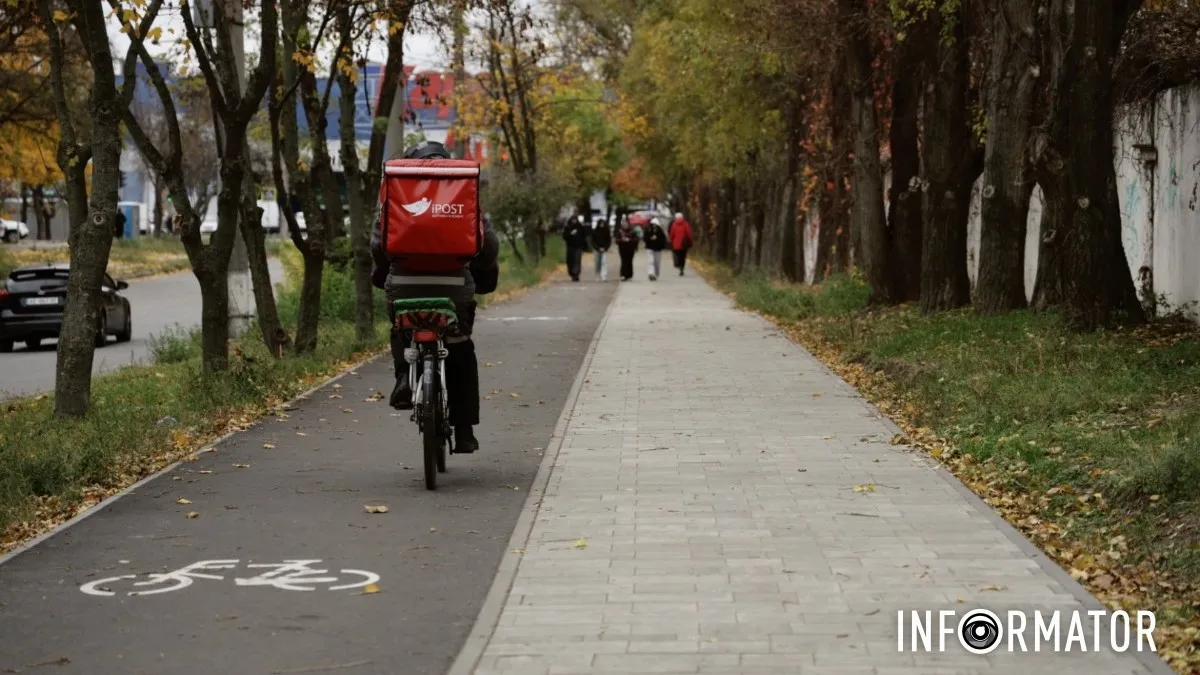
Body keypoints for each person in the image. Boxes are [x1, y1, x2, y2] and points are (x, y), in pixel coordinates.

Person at [370, 141, 501, 454]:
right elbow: (489, 246)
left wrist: (386, 270)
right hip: (454, 290)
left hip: (403, 287)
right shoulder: (463, 194)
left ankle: (404, 378)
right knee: (461, 348)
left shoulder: (397, 195)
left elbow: (378, 245)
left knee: (401, 328)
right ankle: (465, 430)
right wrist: (481, 268)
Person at [561, 215, 589, 282]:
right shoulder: (568, 227)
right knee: (570, 261)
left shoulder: (580, 227)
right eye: (573, 220)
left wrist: (584, 246)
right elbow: (564, 237)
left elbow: (584, 237)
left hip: (578, 247)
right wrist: (570, 234)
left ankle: (576, 274)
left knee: (577, 261)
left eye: (575, 220)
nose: (574, 221)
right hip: (570, 247)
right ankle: (571, 273)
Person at [669, 212, 695, 276]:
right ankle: (682, 268)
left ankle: (678, 265)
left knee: (677, 255)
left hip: (676, 244)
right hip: (684, 244)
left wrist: (671, 240)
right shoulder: (686, 224)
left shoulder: (674, 224)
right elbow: (689, 233)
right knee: (683, 256)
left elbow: (672, 234)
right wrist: (690, 240)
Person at [614, 217, 639, 281]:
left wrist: (629, 240)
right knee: (624, 261)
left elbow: (636, 240)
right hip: (622, 249)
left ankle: (629, 275)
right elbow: (616, 240)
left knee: (629, 261)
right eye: (623, 224)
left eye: (626, 224)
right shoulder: (620, 232)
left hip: (630, 249)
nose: (625, 225)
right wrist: (621, 240)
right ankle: (623, 275)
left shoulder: (632, 231)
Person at [591, 217, 611, 281]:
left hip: (604, 249)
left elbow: (609, 241)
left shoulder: (607, 231)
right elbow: (592, 241)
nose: (601, 225)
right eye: (600, 224)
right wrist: (597, 248)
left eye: (603, 224)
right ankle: (597, 274)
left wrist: (605, 248)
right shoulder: (595, 231)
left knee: (604, 262)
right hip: (597, 249)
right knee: (597, 262)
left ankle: (604, 275)